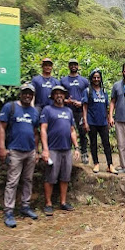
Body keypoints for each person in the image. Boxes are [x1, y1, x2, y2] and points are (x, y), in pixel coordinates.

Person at [0, 83, 40, 228]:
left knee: (28, 179)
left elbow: (35, 133)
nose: (27, 96)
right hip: (14, 150)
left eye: (30, 94)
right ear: (20, 94)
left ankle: (25, 206)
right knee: (12, 181)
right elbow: (2, 128)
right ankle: (9, 211)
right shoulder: (10, 107)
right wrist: (2, 148)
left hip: (30, 151)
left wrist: (36, 151)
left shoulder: (34, 112)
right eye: (25, 93)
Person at [40, 85, 80, 214]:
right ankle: (48, 203)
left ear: (65, 96)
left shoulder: (68, 111)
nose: (59, 96)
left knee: (65, 177)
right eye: (56, 93)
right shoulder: (47, 110)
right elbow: (43, 130)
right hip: (53, 149)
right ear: (52, 96)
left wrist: (77, 147)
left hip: (66, 149)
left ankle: (63, 202)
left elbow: (72, 131)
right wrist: (45, 149)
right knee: (50, 177)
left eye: (61, 94)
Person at [82, 68, 118, 174]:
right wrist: (85, 121)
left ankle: (110, 165)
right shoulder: (88, 91)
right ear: (91, 79)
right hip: (91, 121)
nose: (96, 79)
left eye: (98, 77)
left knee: (106, 143)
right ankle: (96, 164)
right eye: (94, 77)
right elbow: (84, 107)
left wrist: (109, 118)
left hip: (103, 122)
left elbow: (107, 106)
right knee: (93, 143)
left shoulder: (104, 91)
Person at [60, 59, 90, 164]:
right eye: (71, 65)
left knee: (82, 131)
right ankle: (67, 152)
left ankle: (84, 153)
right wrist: (66, 101)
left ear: (78, 66)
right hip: (67, 110)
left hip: (80, 110)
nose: (73, 66)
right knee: (67, 131)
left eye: (75, 65)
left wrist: (81, 103)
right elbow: (59, 95)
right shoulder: (63, 80)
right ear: (68, 66)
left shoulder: (84, 81)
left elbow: (88, 95)